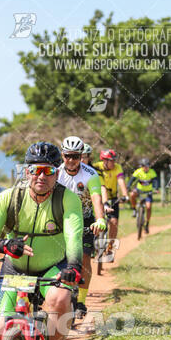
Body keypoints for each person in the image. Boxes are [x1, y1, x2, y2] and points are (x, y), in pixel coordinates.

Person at [0, 142, 104, 340]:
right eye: (36, 170)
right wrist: (4, 244)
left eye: (49, 170)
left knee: (61, 297)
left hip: (52, 267)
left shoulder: (67, 199)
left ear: (58, 172)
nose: (41, 176)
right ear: (27, 172)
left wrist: (74, 266)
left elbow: (73, 235)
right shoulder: (10, 197)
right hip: (15, 270)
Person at [57, 136, 106, 319]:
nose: (71, 160)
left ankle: (81, 301)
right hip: (62, 220)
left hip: (85, 221)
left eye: (75, 156)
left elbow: (96, 198)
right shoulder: (56, 173)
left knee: (85, 258)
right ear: (62, 155)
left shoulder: (90, 174)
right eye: (68, 156)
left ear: (81, 156)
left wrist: (100, 219)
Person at [93, 150, 128, 253]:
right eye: (110, 161)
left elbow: (121, 180)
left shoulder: (118, 167)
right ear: (104, 161)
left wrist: (125, 195)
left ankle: (110, 246)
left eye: (114, 160)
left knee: (114, 222)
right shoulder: (96, 167)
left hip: (112, 198)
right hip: (98, 198)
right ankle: (94, 243)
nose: (113, 163)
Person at [128, 159, 158, 233]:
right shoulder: (138, 171)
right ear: (141, 166)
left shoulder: (152, 172)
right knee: (132, 195)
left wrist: (156, 188)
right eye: (144, 166)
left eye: (147, 166)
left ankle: (147, 224)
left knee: (148, 207)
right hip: (139, 190)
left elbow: (155, 181)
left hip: (148, 192)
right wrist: (128, 186)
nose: (146, 167)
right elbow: (132, 179)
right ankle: (134, 209)